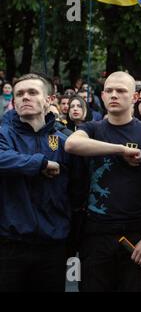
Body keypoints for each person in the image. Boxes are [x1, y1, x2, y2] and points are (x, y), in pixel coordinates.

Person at [65, 71, 141, 292]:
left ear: (134, 97)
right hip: (95, 234)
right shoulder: (91, 129)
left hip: (136, 233)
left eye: (121, 91)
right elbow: (71, 144)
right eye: (109, 91)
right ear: (102, 96)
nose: (114, 95)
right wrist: (120, 150)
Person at [0, 73, 84, 291]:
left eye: (32, 92)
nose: (25, 97)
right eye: (19, 94)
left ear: (49, 100)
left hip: (53, 246)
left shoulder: (64, 142)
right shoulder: (4, 134)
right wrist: (40, 164)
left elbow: (77, 192)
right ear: (13, 102)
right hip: (10, 245)